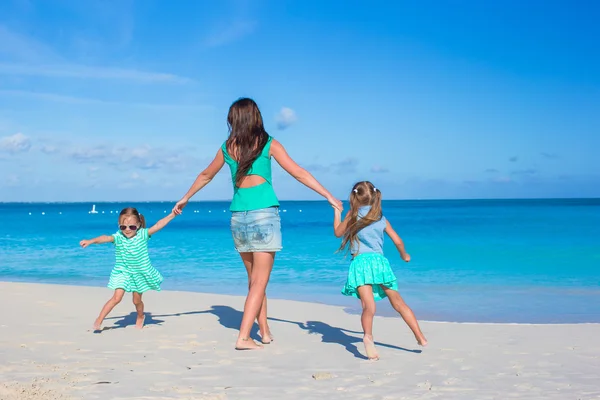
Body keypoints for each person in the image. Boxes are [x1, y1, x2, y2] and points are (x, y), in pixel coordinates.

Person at [173, 97, 342, 350]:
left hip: (238, 218)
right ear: (256, 117)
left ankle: (263, 331)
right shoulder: (268, 143)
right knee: (259, 282)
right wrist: (328, 195)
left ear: (234, 119)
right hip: (263, 215)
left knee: (254, 281)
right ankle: (243, 337)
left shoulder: (227, 147)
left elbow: (205, 175)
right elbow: (298, 172)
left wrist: (186, 197)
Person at [333, 181, 427, 360]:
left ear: (354, 197)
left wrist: (337, 212)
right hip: (379, 264)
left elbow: (338, 233)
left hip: (360, 264)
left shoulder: (352, 215)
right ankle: (420, 336)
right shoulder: (380, 218)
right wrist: (404, 254)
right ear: (375, 196)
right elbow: (397, 241)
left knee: (369, 307)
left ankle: (368, 336)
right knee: (399, 303)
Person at [80, 207, 176, 331]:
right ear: (119, 226)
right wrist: (91, 241)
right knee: (116, 298)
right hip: (123, 272)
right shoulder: (119, 237)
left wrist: (172, 214)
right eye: (123, 227)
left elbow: (158, 225)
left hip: (139, 273)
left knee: (136, 301)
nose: (127, 230)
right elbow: (105, 238)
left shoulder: (143, 234)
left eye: (132, 227)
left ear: (138, 224)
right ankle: (99, 320)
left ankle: (141, 316)